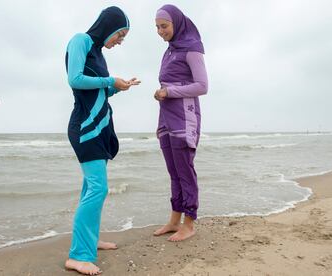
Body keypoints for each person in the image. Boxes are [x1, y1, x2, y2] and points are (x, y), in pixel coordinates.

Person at [64, 6, 140, 275]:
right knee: (98, 189)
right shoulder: (80, 41)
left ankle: (90, 242)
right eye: (120, 34)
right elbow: (75, 79)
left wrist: (117, 86)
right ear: (108, 26)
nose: (120, 40)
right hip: (85, 127)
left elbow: (98, 91)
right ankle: (78, 255)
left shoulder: (97, 53)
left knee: (91, 189)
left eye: (123, 37)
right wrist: (109, 79)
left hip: (99, 126)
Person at [153, 4, 208, 242]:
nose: (160, 31)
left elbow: (202, 86)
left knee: (185, 171)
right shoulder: (169, 50)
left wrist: (169, 92)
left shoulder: (192, 49)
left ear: (177, 23)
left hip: (185, 118)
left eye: (164, 26)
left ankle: (190, 222)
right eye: (157, 27)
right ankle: (174, 220)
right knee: (173, 172)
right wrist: (161, 94)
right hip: (166, 117)